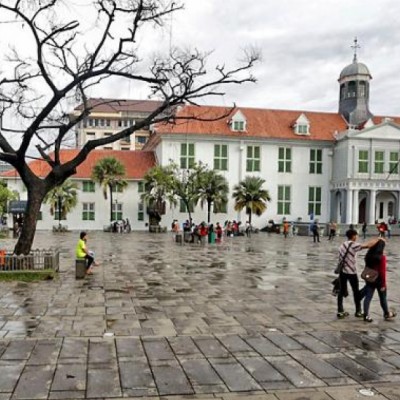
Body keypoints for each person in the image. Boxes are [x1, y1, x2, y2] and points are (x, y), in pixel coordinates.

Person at [336, 229, 380, 319]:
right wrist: (378, 239)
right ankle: (358, 311)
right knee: (355, 291)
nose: (357, 237)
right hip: (351, 272)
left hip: (342, 271)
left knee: (341, 291)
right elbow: (367, 245)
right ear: (353, 236)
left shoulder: (342, 245)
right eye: (356, 235)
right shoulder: (353, 245)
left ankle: (340, 311)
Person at [362, 239, 396, 322]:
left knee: (368, 297)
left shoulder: (368, 255)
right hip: (379, 280)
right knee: (383, 298)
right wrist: (383, 284)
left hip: (370, 278)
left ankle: (366, 315)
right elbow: (382, 272)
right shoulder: (382, 257)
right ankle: (386, 313)